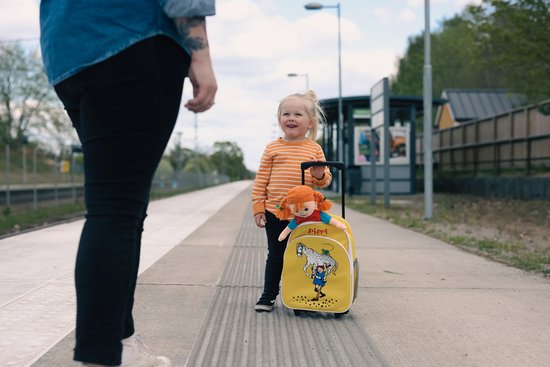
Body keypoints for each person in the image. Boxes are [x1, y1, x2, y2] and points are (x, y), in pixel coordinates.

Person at [39, 1, 217, 366]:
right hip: (134, 36)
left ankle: (122, 346)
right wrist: (200, 53)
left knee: (120, 209)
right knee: (117, 211)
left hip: (68, 48)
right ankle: (102, 357)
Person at [252, 91, 332, 313]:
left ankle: (301, 296)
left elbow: (325, 181)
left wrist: (318, 174)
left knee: (302, 256)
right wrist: (258, 207)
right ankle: (268, 296)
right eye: (286, 113)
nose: (291, 118)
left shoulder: (314, 149)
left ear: (310, 123)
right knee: (276, 254)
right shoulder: (273, 148)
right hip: (275, 212)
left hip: (305, 215)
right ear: (279, 120)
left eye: (298, 114)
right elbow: (261, 181)